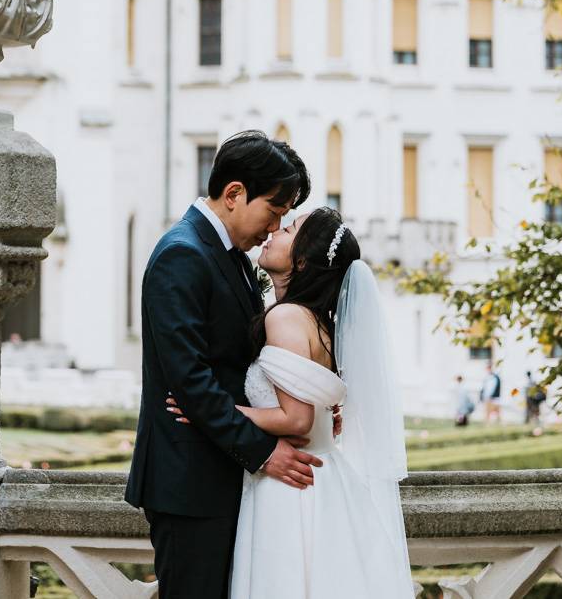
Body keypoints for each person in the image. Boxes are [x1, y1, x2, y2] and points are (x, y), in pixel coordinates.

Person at [166, 207, 414, 597]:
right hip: (324, 479)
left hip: (290, 488)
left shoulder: (284, 318)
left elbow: (296, 420)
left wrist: (208, 412)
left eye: (290, 229)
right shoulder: (320, 322)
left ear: (300, 260)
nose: (276, 230)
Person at [125, 130, 318, 599]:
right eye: (273, 211)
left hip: (223, 475)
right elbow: (190, 381)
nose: (275, 229)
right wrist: (265, 451)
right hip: (189, 485)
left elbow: (249, 363)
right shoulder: (182, 255)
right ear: (234, 194)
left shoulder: (229, 256)